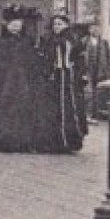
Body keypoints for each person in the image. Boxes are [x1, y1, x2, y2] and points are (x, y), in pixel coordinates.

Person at [0, 6, 51, 153]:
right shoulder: (0, 42)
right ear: (6, 25)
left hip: (23, 82)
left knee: (22, 110)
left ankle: (20, 142)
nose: (16, 27)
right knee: (2, 110)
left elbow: (31, 60)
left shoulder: (26, 41)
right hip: (5, 82)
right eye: (13, 24)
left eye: (18, 24)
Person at [36, 11, 86, 153]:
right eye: (55, 24)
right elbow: (45, 57)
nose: (57, 27)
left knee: (69, 108)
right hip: (53, 78)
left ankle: (70, 141)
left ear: (66, 25)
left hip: (68, 78)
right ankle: (53, 142)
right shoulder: (50, 39)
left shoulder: (72, 39)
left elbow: (79, 59)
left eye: (60, 24)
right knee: (52, 108)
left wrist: (78, 72)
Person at [80, 23, 110, 120]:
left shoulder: (104, 42)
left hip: (100, 71)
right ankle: (87, 114)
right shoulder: (84, 41)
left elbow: (108, 58)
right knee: (88, 93)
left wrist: (108, 70)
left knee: (98, 93)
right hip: (87, 70)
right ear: (89, 30)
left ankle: (96, 115)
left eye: (98, 28)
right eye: (93, 28)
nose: (96, 31)